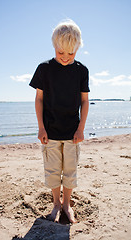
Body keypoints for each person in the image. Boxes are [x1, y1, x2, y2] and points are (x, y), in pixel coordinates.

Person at [29, 19, 90, 223]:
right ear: (54, 46)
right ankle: (56, 204)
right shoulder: (44, 69)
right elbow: (39, 98)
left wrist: (81, 128)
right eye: (60, 52)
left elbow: (84, 100)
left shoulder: (82, 71)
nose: (65, 57)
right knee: (53, 171)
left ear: (77, 49)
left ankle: (66, 204)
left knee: (71, 171)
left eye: (70, 53)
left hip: (73, 132)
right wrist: (41, 127)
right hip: (50, 131)